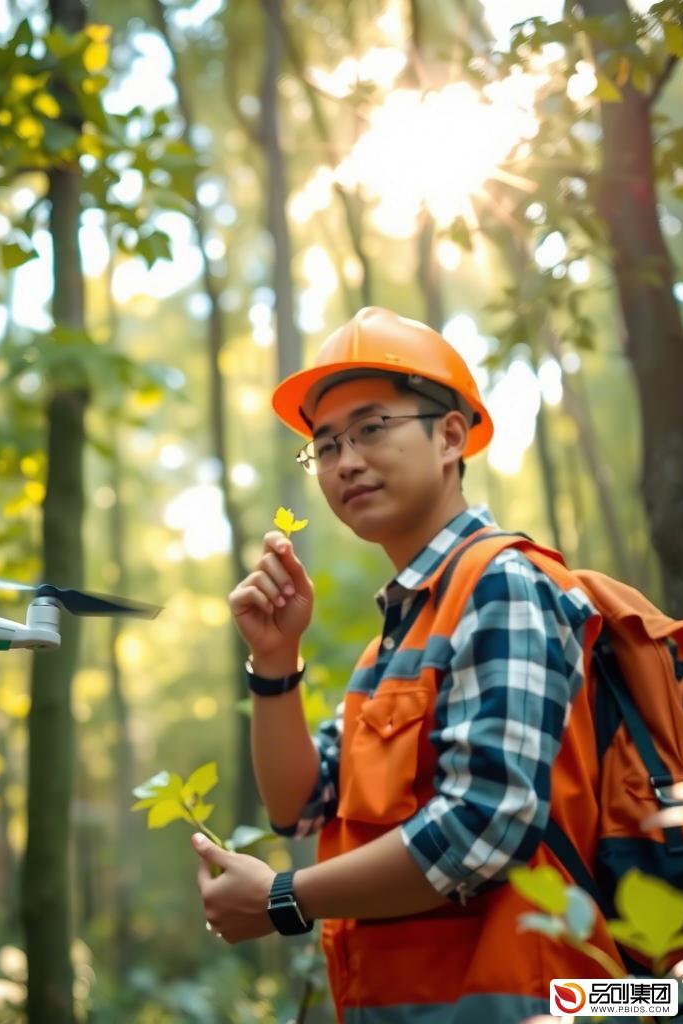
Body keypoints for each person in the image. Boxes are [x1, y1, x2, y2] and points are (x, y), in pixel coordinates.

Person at [192, 307, 625, 1022]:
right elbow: (299, 804)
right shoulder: (394, 640)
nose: (346, 461)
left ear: (450, 435)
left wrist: (282, 900)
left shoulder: (500, 583)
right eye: (325, 446)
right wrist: (275, 661)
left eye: (371, 428)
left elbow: (486, 824)